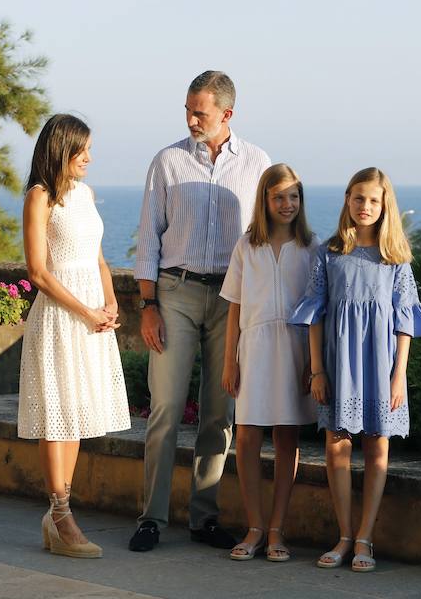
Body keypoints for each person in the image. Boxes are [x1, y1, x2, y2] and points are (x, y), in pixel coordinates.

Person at [130, 71, 271, 552]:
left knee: (219, 412)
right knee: (166, 408)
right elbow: (148, 238)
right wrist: (147, 306)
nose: (191, 119)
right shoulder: (167, 161)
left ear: (227, 115)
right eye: (188, 109)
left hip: (232, 302)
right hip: (176, 293)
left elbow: (266, 236)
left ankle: (204, 518)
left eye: (201, 112)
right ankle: (151, 516)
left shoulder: (257, 163)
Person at [289, 167, 421, 572]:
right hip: (339, 364)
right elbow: (314, 313)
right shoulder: (330, 252)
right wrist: (318, 370)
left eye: (373, 200)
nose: (364, 207)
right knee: (336, 444)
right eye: (357, 198)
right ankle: (344, 536)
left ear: (385, 204)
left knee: (377, 446)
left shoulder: (396, 259)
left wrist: (399, 374)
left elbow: (405, 321)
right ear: (347, 202)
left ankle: (366, 539)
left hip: (381, 364)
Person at [17, 114, 131, 558]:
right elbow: (38, 273)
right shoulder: (39, 197)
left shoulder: (84, 195)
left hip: (92, 318)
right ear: (61, 149)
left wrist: (111, 304)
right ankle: (60, 513)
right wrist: (85, 310)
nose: (89, 157)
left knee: (79, 414)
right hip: (60, 317)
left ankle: (59, 515)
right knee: (58, 414)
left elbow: (98, 260)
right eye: (81, 149)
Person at [220, 163, 318, 562]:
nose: (287, 203)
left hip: (294, 348)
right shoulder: (247, 246)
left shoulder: (312, 248)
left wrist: (312, 362)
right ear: (265, 200)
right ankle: (254, 526)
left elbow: (317, 311)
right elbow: (234, 309)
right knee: (245, 436)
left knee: (286, 437)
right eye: (278, 196)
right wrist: (230, 360)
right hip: (255, 348)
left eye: (293, 196)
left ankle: (277, 529)